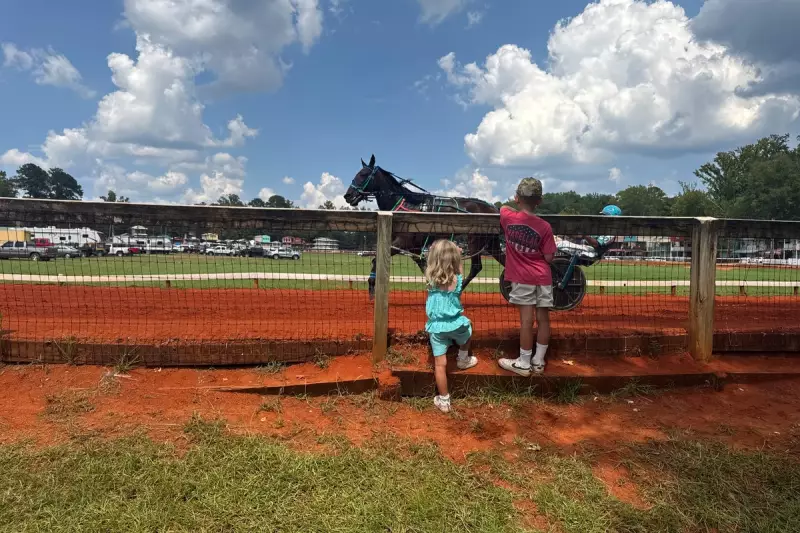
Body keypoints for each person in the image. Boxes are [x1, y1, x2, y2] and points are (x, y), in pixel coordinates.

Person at [498, 178, 557, 376]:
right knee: (543, 320)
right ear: (539, 201)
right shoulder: (545, 226)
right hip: (542, 276)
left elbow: (503, 208)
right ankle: (538, 361)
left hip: (522, 277)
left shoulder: (508, 218)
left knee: (526, 321)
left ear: (517, 198)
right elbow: (549, 257)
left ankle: (524, 362)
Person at [424, 239, 478, 413]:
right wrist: (459, 255)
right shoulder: (457, 281)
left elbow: (430, 264)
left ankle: (444, 400)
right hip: (455, 325)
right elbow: (459, 269)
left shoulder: (430, 280)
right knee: (468, 328)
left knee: (440, 365)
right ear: (454, 259)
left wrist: (431, 251)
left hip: (437, 329)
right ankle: (463, 358)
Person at [554, 205, 623, 259]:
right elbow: (579, 237)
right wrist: (567, 233)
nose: (602, 217)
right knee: (553, 238)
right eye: (602, 215)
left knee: (558, 243)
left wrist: (584, 235)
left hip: (591, 252)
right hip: (584, 248)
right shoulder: (601, 228)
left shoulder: (611, 232)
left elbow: (596, 244)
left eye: (605, 215)